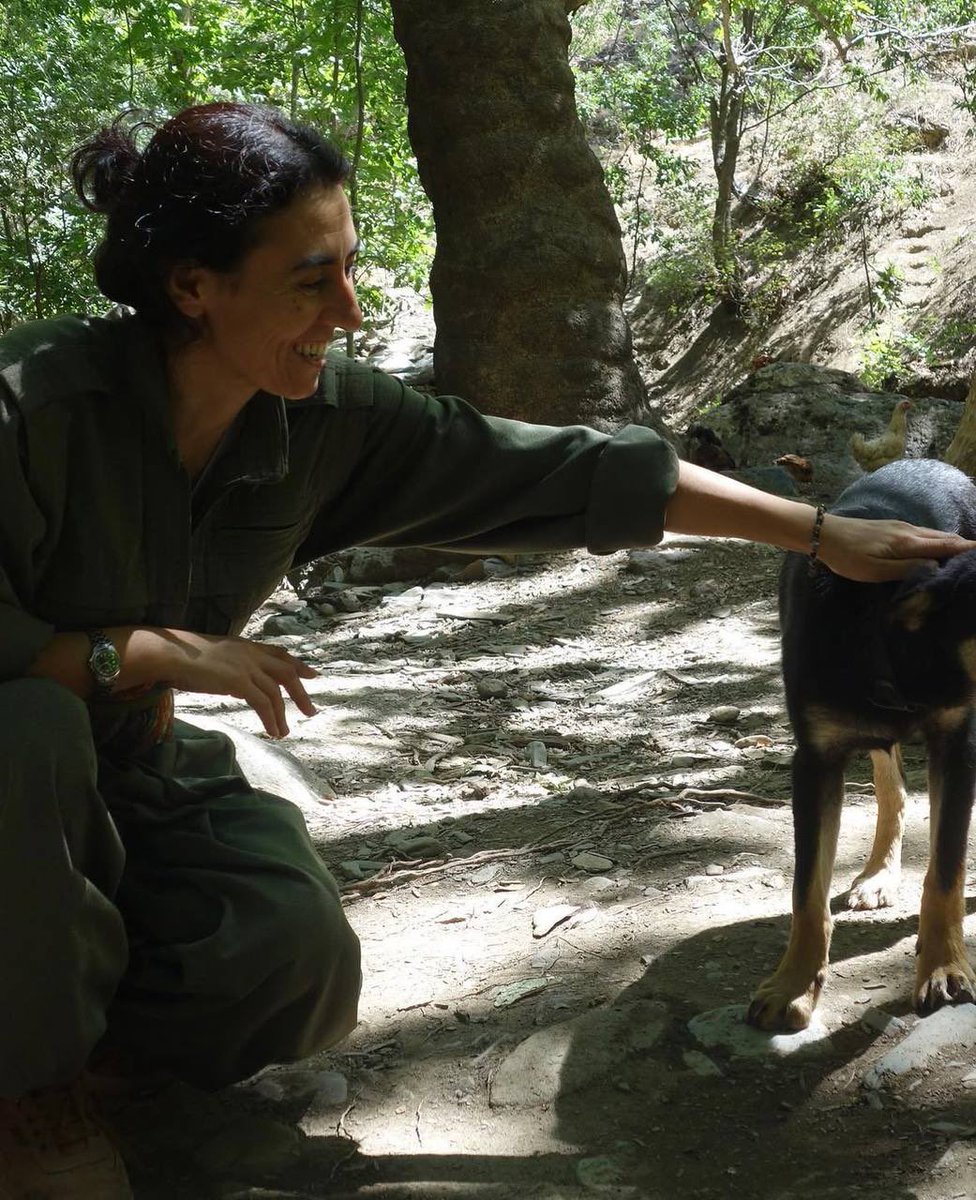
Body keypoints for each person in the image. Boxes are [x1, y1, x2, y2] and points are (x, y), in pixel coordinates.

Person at [0, 102, 972, 1200]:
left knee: (289, 963)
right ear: (191, 286)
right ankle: (29, 1099)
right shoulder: (34, 407)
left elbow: (557, 470)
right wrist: (137, 654)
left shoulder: (320, 423)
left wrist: (815, 531)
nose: (352, 312)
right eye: (312, 281)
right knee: (25, 729)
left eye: (354, 271)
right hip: (19, 766)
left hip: (128, 773)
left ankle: (91, 1052)